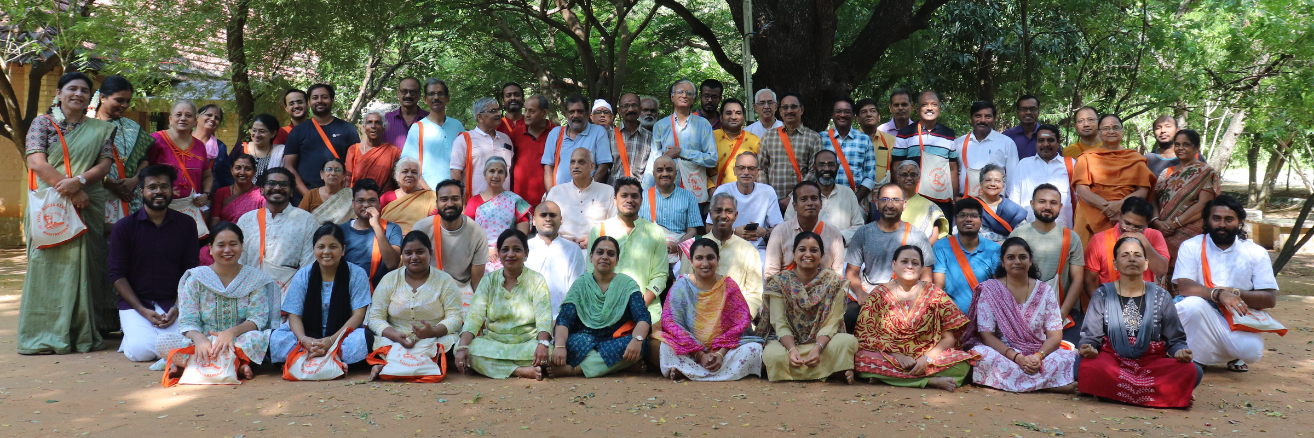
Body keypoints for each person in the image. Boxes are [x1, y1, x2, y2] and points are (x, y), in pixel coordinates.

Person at [20, 72, 117, 354]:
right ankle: (44, 333)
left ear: (91, 97)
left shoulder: (100, 129)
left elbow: (105, 164)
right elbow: (36, 163)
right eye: (72, 89)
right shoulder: (42, 123)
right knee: (47, 266)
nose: (78, 94)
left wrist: (81, 182)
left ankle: (81, 334)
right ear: (59, 94)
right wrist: (73, 191)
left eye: (84, 90)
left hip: (89, 206)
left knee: (88, 267)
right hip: (52, 206)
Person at [1077, 236, 1198, 408]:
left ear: (1146, 263)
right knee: (1086, 365)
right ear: (1115, 264)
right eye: (1125, 255)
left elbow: (1175, 340)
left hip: (1151, 362)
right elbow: (1091, 337)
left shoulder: (1161, 296)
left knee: (1191, 370)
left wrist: (1180, 351)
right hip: (1113, 360)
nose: (1132, 259)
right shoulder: (1102, 294)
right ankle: (1166, 394)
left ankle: (1110, 393)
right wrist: (1088, 347)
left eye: (1137, 255)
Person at [157, 222, 279, 381]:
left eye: (233, 244)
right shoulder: (196, 279)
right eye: (221, 245)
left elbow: (257, 319)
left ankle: (192, 366)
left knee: (259, 338)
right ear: (210, 248)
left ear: (242, 246)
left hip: (238, 340)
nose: (227, 250)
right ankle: (235, 366)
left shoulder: (254, 279)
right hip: (203, 342)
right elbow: (188, 321)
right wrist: (199, 339)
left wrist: (231, 333)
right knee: (163, 341)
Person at [1172, 196, 1278, 371]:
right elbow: (1184, 286)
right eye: (1216, 218)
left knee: (1252, 352)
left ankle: (1231, 356)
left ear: (1240, 222)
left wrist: (1236, 293)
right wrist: (1220, 294)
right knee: (1191, 305)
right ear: (1207, 220)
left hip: (1238, 317)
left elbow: (1269, 299)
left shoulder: (1256, 252)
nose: (1222, 224)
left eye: (1229, 219)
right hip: (1202, 314)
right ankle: (1197, 358)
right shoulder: (1191, 246)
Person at [853, 245, 978, 391]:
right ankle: (928, 381)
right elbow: (865, 336)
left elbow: (949, 339)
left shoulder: (935, 294)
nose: (910, 266)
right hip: (890, 357)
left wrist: (926, 359)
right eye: (904, 261)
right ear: (894, 264)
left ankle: (887, 377)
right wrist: (897, 355)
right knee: (861, 361)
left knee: (961, 366)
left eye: (915, 263)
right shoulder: (879, 294)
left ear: (921, 268)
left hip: (928, 357)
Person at [109, 165, 201, 362]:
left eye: (164, 186)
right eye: (152, 187)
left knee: (186, 346)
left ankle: (146, 335)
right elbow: (116, 274)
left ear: (171, 191)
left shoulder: (186, 224)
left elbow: (190, 270)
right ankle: (133, 336)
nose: (159, 191)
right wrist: (142, 310)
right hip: (136, 305)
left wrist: (178, 305)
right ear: (141, 191)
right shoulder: (124, 227)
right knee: (141, 352)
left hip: (174, 304)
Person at [962, 237, 1078, 393]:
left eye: (1022, 257)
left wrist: (1038, 356)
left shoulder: (1045, 291)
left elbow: (1055, 336)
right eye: (1011, 257)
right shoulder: (991, 290)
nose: (1017, 261)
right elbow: (987, 336)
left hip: (1038, 354)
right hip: (1003, 354)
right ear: (1002, 262)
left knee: (1067, 358)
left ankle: (1019, 383)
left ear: (1030, 261)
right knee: (982, 355)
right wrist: (1018, 358)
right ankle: (1049, 384)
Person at [454, 229, 554, 380]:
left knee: (550, 353)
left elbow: (544, 317)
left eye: (517, 249)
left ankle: (498, 367)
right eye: (505, 250)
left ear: (526, 253)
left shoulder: (536, 280)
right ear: (498, 254)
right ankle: (519, 370)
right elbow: (474, 317)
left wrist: (542, 344)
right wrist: (462, 347)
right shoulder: (488, 281)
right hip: (494, 342)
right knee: (460, 348)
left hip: (526, 343)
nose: (511, 254)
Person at [660, 238, 763, 381]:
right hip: (690, 350)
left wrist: (720, 354)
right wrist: (699, 354)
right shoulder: (681, 286)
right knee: (666, 346)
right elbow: (670, 322)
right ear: (691, 261)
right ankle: (716, 374)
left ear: (718, 259)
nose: (705, 263)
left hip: (723, 350)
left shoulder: (728, 286)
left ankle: (688, 372)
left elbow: (740, 325)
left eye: (710, 258)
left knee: (753, 349)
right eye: (699, 258)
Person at [270, 223, 373, 365]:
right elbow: (294, 313)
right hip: (307, 337)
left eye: (333, 246)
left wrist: (332, 340)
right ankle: (326, 357)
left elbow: (358, 315)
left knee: (364, 339)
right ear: (314, 250)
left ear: (343, 250)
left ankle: (304, 360)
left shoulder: (357, 274)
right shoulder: (303, 274)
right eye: (321, 247)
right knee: (276, 339)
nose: (326, 252)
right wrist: (304, 340)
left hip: (342, 336)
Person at [365, 231, 463, 380]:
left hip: (434, 339)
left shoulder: (444, 280)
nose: (414, 257)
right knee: (371, 339)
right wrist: (395, 335)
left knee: (452, 343)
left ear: (430, 253)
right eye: (408, 253)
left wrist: (434, 332)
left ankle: (389, 365)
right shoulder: (390, 280)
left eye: (420, 252)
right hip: (395, 340)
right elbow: (375, 317)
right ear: (402, 256)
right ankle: (418, 365)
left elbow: (455, 317)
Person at [761, 232, 858, 382]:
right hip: (789, 345)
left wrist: (817, 348)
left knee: (847, 341)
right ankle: (831, 371)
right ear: (793, 254)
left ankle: (793, 373)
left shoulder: (834, 283)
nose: (808, 254)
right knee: (773, 354)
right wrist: (792, 349)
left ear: (821, 255)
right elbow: (780, 323)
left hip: (822, 345)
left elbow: (832, 324)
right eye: (802, 250)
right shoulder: (779, 282)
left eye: (814, 250)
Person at [549, 236, 652, 378]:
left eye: (610, 254)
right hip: (584, 340)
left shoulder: (627, 285)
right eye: (600, 252)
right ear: (591, 257)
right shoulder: (581, 284)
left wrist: (636, 340)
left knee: (642, 343)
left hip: (616, 341)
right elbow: (564, 319)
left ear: (617, 260)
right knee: (563, 343)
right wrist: (560, 346)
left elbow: (643, 317)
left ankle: (575, 370)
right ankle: (618, 366)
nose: (605, 257)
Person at [589, 177, 670, 355]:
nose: (629, 200)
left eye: (634, 196)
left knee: (656, 348)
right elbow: (591, 274)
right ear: (615, 200)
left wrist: (640, 303)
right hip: (607, 308)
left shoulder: (655, 232)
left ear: (641, 200)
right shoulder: (600, 230)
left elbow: (661, 275)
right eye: (624, 195)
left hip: (647, 308)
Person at [845, 184, 936, 331]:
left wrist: (914, 300)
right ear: (877, 203)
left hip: (906, 294)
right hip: (871, 294)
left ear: (904, 204)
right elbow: (851, 272)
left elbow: (926, 276)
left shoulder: (917, 236)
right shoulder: (863, 233)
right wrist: (861, 294)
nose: (890, 204)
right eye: (885, 199)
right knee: (850, 316)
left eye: (895, 200)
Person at [1008, 184, 1086, 343]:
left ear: (1061, 207)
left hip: (1062, 315)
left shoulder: (1070, 238)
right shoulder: (1018, 234)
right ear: (1032, 204)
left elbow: (1078, 281)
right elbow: (1007, 277)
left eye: (1053, 203)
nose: (1047, 207)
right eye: (1042, 201)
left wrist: (1059, 317)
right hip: (1021, 315)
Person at [679, 193, 766, 324]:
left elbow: (754, 295)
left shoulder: (749, 250)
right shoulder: (695, 247)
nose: (723, 216)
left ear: (736, 215)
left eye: (729, 211)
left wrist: (735, 318)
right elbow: (684, 287)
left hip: (736, 322)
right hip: (698, 320)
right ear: (710, 213)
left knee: (753, 346)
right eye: (718, 211)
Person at [1073, 114, 1156, 244]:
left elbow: (1143, 191)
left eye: (1115, 127)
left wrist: (1120, 205)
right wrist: (1110, 209)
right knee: (1087, 257)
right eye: (1106, 128)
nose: (1111, 131)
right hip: (1090, 214)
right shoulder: (1086, 158)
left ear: (1122, 131)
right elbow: (1082, 190)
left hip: (1125, 216)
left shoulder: (1135, 158)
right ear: (1099, 133)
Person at [236, 168, 318, 294]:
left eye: (284, 184)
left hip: (289, 296)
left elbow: (308, 266)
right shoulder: (247, 220)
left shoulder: (306, 220)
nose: (277, 188)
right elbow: (239, 261)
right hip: (250, 296)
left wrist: (294, 302)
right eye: (271, 184)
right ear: (262, 190)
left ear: (291, 191)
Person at [413, 180, 490, 311]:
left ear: (463, 200)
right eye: (444, 199)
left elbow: (477, 282)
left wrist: (480, 309)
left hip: (461, 290)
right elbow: (411, 271)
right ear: (437, 203)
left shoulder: (477, 233)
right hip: (427, 287)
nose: (449, 204)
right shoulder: (421, 228)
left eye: (455, 199)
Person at [1151, 129, 1220, 264]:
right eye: (1177, 144)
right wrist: (1156, 221)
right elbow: (1154, 198)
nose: (1180, 148)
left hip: (1189, 232)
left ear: (1196, 148)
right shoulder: (1167, 172)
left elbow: (1204, 205)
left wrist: (1174, 223)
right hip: (1162, 230)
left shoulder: (1205, 172)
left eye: (1186, 144)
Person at [283, 84, 361, 199]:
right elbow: (289, 167)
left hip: (339, 198)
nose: (319, 101)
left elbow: (357, 163)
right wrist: (309, 196)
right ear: (309, 102)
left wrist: (346, 190)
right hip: (305, 197)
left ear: (332, 100)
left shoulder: (347, 129)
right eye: (315, 98)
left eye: (324, 97)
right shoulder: (298, 131)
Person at [1084, 196, 1171, 296]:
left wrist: (1142, 239)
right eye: (1127, 223)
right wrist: (1101, 306)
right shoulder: (1099, 239)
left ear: (1147, 224)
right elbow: (1088, 280)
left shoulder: (1154, 236)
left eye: (1138, 227)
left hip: (1146, 300)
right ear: (1120, 216)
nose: (1131, 229)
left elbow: (1161, 270)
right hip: (1111, 301)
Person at [650, 79, 717, 204]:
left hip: (694, 194)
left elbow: (712, 159)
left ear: (694, 99)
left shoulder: (703, 125)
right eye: (680, 92)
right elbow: (653, 162)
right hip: (667, 194)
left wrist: (682, 152)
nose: (684, 95)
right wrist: (646, 192)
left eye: (689, 93)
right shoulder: (660, 126)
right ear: (672, 97)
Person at [94, 75, 152, 220]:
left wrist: (134, 180)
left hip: (131, 196)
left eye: (128, 101)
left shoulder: (132, 127)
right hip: (97, 194)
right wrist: (109, 183)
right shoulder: (86, 126)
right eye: (119, 100)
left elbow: (144, 160)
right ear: (102, 97)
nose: (125, 105)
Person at [892, 90, 957, 217]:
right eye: (924, 105)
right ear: (917, 108)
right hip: (912, 196)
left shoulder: (948, 134)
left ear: (939, 108)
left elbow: (953, 168)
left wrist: (954, 195)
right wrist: (899, 193)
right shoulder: (905, 133)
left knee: (941, 233)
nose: (929, 108)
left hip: (941, 197)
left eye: (934, 104)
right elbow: (896, 167)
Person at [932, 197, 1001, 312]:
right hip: (952, 316)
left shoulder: (994, 249)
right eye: (963, 215)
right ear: (955, 220)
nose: (968, 219)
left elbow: (998, 287)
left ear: (981, 221)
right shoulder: (941, 246)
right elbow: (939, 287)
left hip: (985, 317)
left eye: (974, 216)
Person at [710, 152, 784, 258]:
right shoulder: (723, 190)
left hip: (757, 250)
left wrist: (764, 232)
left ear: (757, 172)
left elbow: (780, 229)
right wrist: (733, 232)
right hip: (726, 247)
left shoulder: (767, 191)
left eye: (751, 168)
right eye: (741, 168)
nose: (746, 172)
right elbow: (709, 227)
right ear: (735, 171)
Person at [465, 156, 532, 270]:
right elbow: (467, 232)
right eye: (492, 171)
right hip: (481, 254)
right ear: (485, 175)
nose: (496, 176)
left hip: (508, 254)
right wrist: (485, 250)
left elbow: (521, 234)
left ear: (506, 176)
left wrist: (504, 249)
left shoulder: (515, 200)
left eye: (500, 172)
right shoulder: (474, 201)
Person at [767, 181, 846, 277]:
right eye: (803, 199)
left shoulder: (834, 234)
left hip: (823, 290)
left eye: (814, 198)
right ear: (795, 206)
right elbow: (771, 274)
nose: (810, 203)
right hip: (787, 290)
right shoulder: (780, 232)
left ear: (821, 204)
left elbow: (837, 275)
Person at [783, 150, 866, 241]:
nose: (826, 169)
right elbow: (788, 226)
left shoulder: (848, 193)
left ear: (837, 167)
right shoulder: (801, 193)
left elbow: (859, 227)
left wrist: (838, 238)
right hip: (807, 251)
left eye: (831, 165)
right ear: (814, 168)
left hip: (843, 250)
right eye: (821, 165)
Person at [759, 91, 821, 211]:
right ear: (780, 111)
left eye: (793, 107)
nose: (789, 111)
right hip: (771, 203)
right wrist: (768, 196)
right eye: (785, 107)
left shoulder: (813, 138)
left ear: (801, 110)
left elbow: (814, 171)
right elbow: (761, 168)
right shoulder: (768, 137)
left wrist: (794, 197)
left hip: (801, 203)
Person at [524, 201, 587, 318]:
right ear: (533, 220)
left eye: (552, 215)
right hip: (527, 319)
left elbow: (576, 291)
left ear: (561, 220)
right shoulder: (523, 249)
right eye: (543, 215)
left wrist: (562, 319)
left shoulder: (573, 250)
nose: (548, 219)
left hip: (563, 320)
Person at [543, 148, 617, 246]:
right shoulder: (556, 192)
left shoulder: (607, 191)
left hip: (597, 248)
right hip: (561, 247)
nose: (576, 166)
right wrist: (561, 240)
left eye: (581, 162)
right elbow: (545, 223)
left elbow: (614, 224)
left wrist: (594, 239)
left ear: (591, 166)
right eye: (572, 162)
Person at [148, 100, 212, 212]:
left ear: (195, 121)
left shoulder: (199, 146)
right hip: (160, 207)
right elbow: (142, 173)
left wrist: (205, 194)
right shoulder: (155, 140)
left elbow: (207, 176)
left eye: (188, 115)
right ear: (170, 119)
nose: (183, 118)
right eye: (178, 115)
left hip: (190, 208)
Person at [1007, 124, 1076, 228]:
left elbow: (1078, 199)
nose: (1045, 144)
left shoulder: (1070, 164)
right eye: (1041, 140)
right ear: (1036, 143)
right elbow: (1014, 199)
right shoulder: (1024, 164)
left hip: (1064, 231)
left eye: (1050, 140)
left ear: (1058, 143)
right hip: (1028, 231)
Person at [402, 78, 465, 189]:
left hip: (456, 194)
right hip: (427, 195)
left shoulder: (457, 126)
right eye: (431, 94)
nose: (436, 97)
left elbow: (466, 161)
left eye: (440, 94)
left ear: (447, 99)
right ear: (425, 99)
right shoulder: (417, 128)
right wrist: (429, 193)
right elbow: (409, 166)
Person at [639, 156, 702, 265]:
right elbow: (637, 231)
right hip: (649, 256)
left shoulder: (688, 197)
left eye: (669, 170)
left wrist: (678, 246)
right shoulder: (642, 198)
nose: (664, 174)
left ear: (676, 173)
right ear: (653, 174)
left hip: (680, 257)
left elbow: (692, 231)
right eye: (660, 170)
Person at [542, 94, 613, 189]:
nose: (575, 115)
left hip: (587, 197)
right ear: (566, 114)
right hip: (559, 196)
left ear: (587, 114)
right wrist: (551, 195)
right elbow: (548, 167)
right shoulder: (555, 133)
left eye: (580, 111)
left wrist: (588, 191)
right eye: (572, 112)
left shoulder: (598, 132)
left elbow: (603, 167)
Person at [341, 179, 403, 286]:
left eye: (372, 200)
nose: (366, 205)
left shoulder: (392, 229)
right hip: (348, 289)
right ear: (353, 204)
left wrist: (376, 226)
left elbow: (392, 264)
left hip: (382, 291)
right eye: (360, 200)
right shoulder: (341, 231)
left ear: (379, 203)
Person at [451, 97, 515, 197]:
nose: (498, 114)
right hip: (474, 206)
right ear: (480, 117)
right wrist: (461, 203)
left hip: (504, 205)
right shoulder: (464, 140)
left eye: (498, 110)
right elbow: (455, 173)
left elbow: (510, 171)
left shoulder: (505, 139)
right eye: (493, 111)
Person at [956, 101, 1019, 198]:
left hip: (995, 202)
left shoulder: (1006, 143)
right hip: (965, 203)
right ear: (971, 118)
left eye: (988, 117)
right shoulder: (958, 143)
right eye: (978, 116)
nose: (983, 120)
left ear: (994, 119)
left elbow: (1013, 179)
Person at [824, 97, 879, 202]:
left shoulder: (865, 140)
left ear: (853, 115)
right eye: (838, 111)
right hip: (825, 202)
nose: (842, 115)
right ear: (832, 114)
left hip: (855, 201)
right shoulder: (821, 138)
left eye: (847, 112)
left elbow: (870, 177)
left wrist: (853, 201)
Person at [508, 95, 556, 210]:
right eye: (526, 110)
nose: (526, 115)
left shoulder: (556, 133)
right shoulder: (516, 134)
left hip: (548, 199)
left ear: (544, 113)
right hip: (519, 201)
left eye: (532, 111)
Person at [885, 161, 948, 243]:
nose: (909, 178)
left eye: (913, 175)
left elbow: (934, 236)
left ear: (919, 178)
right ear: (898, 177)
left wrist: (921, 251)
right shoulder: (888, 203)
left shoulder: (930, 207)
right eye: (904, 175)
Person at [346, 109, 402, 192]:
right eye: (369, 122)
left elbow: (399, 179)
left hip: (384, 201)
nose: (373, 126)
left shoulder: (393, 151)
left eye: (377, 123)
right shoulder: (353, 150)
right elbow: (348, 180)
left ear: (384, 128)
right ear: (364, 128)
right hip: (358, 200)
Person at [970, 164, 1027, 243]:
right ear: (981, 184)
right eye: (988, 180)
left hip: (1007, 252)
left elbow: (1023, 237)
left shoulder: (1013, 209)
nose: (992, 184)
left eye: (997, 181)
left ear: (1003, 186)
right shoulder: (970, 206)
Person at [379, 157, 437, 233]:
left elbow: (434, 223)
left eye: (414, 172)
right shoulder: (387, 197)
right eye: (405, 171)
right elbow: (375, 220)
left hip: (419, 241)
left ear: (419, 177)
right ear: (396, 176)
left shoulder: (431, 197)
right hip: (389, 241)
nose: (409, 175)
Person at [712, 98, 761, 186]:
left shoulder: (754, 140)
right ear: (721, 117)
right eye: (728, 113)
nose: (734, 117)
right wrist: (710, 188)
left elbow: (761, 171)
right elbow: (700, 168)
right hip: (718, 194)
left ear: (743, 118)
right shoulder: (711, 137)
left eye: (738, 113)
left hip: (747, 194)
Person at [607, 93, 653, 184]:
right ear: (619, 110)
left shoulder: (650, 138)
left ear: (640, 110)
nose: (630, 109)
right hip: (613, 194)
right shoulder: (609, 136)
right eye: (626, 106)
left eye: (634, 105)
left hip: (640, 194)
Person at [209, 152, 265, 226]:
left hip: (252, 235)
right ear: (232, 170)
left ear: (254, 171)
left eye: (247, 169)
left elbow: (264, 222)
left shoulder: (261, 194)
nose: (242, 172)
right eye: (238, 168)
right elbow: (214, 222)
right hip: (226, 235)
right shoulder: (221, 193)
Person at [854, 98, 895, 185]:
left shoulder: (891, 141)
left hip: (883, 194)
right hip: (856, 193)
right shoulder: (851, 140)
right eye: (864, 112)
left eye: (872, 111)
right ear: (857, 119)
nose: (869, 114)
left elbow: (895, 171)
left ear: (879, 117)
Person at [298, 158, 350, 223]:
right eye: (329, 169)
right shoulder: (312, 195)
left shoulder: (350, 197)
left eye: (337, 170)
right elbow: (298, 220)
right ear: (322, 174)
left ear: (344, 176)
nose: (333, 173)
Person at [195, 104, 234, 191]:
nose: (212, 119)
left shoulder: (220, 147)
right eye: (209, 115)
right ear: (197, 117)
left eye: (217, 118)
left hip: (209, 199)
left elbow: (226, 177)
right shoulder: (183, 141)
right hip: (182, 196)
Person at [238, 114, 286, 182]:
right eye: (254, 130)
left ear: (273, 133)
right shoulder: (241, 148)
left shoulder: (281, 153)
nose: (257, 135)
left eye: (262, 131)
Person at [384, 77, 428, 148]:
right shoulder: (386, 120)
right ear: (398, 93)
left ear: (419, 95)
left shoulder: (429, 120)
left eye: (412, 92)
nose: (408, 95)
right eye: (404, 91)